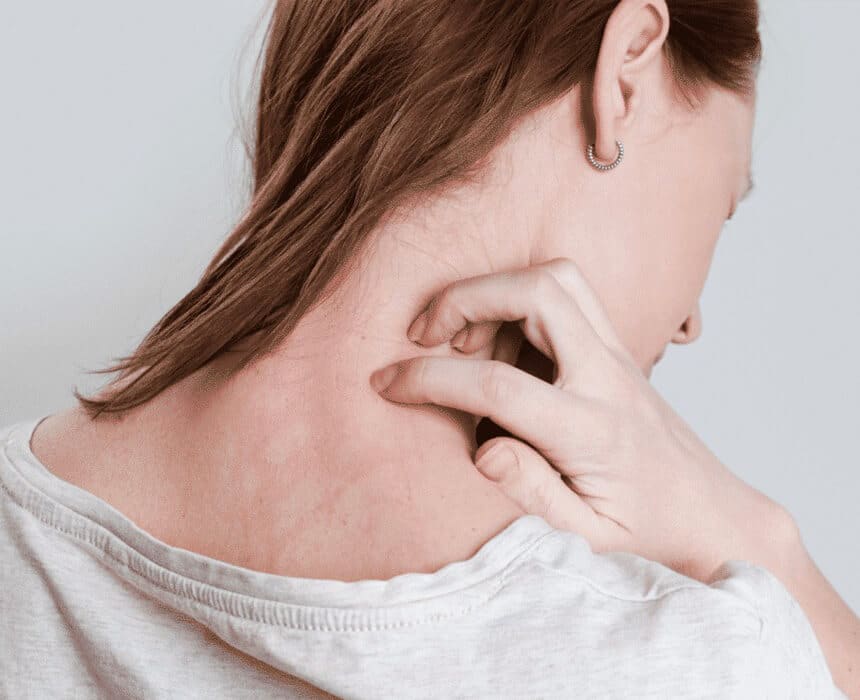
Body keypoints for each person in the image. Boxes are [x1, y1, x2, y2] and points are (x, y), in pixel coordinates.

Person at [0, 0, 855, 697]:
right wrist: (764, 545)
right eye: (724, 198)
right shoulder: (708, 663)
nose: (689, 321)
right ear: (626, 70)